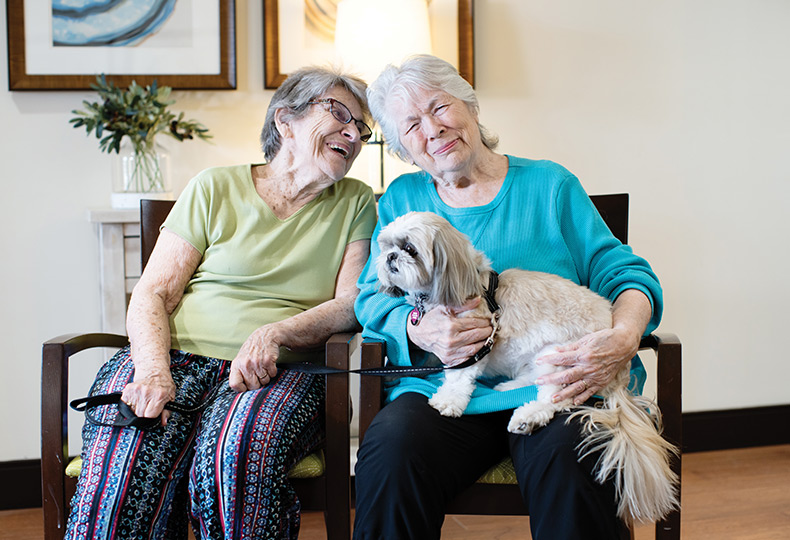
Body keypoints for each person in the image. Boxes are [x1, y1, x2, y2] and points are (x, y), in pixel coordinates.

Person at [353, 54, 663, 540]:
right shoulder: (402, 199)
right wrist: (419, 328)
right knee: (391, 450)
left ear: (471, 106)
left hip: (552, 381)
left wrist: (624, 336)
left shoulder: (549, 185)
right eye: (411, 125)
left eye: (439, 107)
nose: (432, 129)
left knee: (572, 452)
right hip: (445, 387)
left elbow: (625, 274)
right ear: (403, 149)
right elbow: (371, 297)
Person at [65, 66, 377, 540]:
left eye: (361, 127)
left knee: (235, 457)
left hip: (278, 372)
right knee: (127, 465)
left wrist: (275, 333)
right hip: (173, 358)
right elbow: (153, 293)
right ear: (284, 120)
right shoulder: (214, 186)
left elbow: (352, 302)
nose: (353, 134)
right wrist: (152, 370)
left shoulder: (356, 202)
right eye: (339, 114)